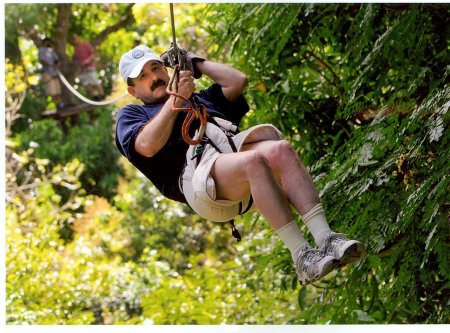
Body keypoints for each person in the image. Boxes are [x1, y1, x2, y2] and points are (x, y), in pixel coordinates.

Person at [115, 45, 365, 285]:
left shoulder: (199, 99)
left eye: (157, 68)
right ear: (133, 91)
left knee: (281, 149)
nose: (154, 77)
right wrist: (176, 100)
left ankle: (327, 238)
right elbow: (146, 145)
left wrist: (194, 63)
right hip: (200, 184)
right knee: (254, 161)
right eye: (143, 76)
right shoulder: (133, 116)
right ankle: (302, 256)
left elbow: (237, 80)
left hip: (233, 159)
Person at [72, 33, 105, 101]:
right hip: (82, 69)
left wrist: (87, 61)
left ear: (79, 37)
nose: (75, 40)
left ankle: (102, 95)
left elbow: (93, 55)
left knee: (95, 81)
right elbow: (75, 59)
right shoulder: (76, 49)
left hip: (90, 67)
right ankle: (95, 96)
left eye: (75, 38)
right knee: (85, 83)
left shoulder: (86, 45)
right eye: (73, 39)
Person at [38, 38, 65, 110]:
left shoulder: (51, 50)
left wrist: (57, 64)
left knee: (57, 90)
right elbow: (42, 60)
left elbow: (56, 59)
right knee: (52, 91)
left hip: (54, 73)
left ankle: (61, 104)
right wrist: (50, 64)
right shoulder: (41, 50)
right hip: (47, 73)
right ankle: (58, 105)